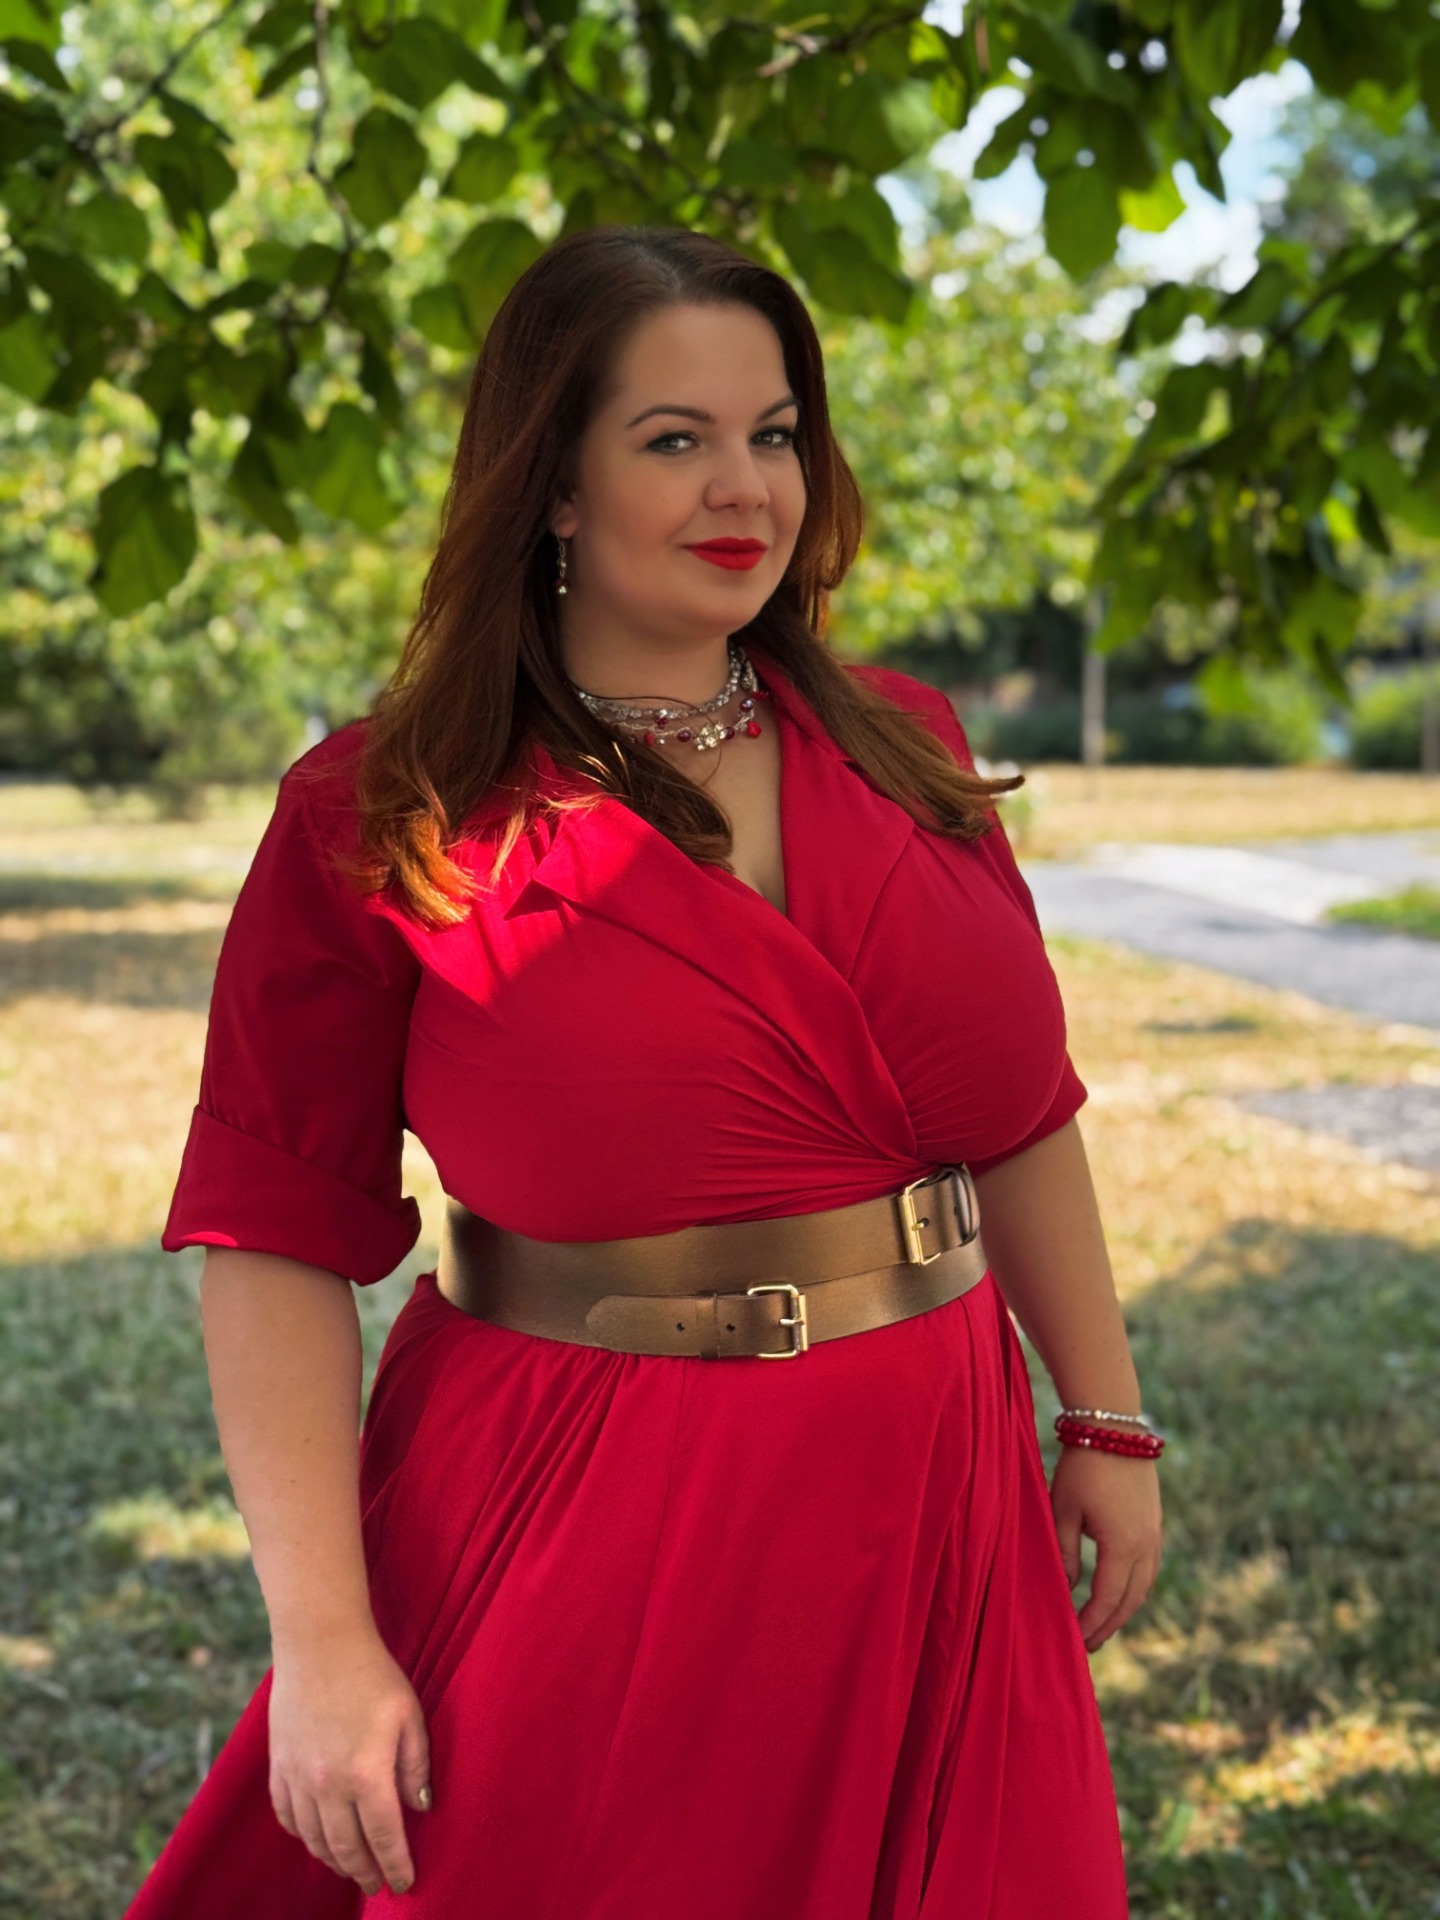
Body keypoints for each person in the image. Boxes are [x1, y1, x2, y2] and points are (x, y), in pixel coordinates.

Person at [126, 223, 1161, 1920]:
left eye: (774, 434)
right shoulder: (384, 811)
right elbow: (273, 1232)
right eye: (673, 439)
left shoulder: (907, 744)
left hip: (933, 1472)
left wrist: (1105, 1416)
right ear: (550, 482)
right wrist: (323, 1641)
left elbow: (1019, 1116)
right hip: (587, 1493)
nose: (744, 487)